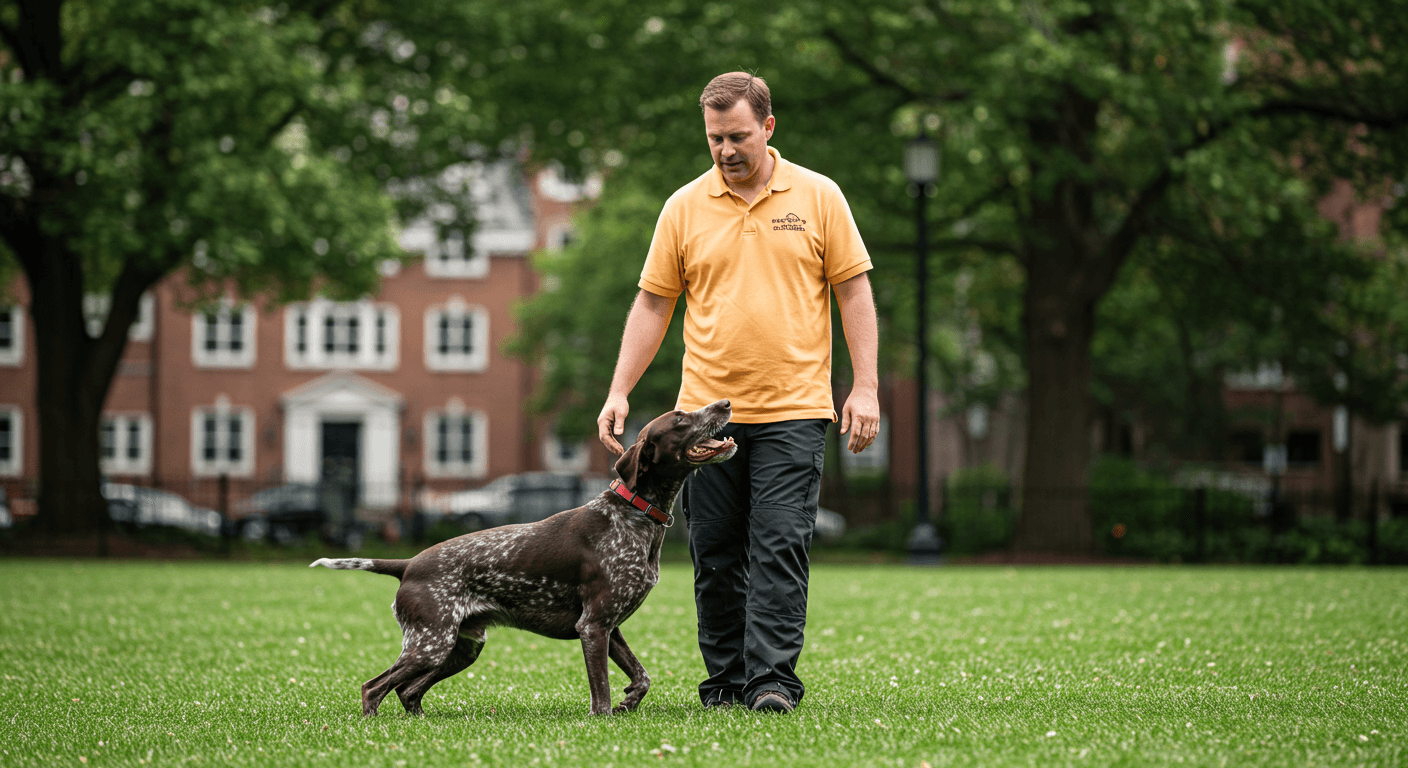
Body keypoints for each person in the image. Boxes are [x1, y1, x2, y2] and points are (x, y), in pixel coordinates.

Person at [596, 71, 879, 714]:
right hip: (706, 420)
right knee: (716, 552)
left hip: (796, 407)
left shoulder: (818, 196)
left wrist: (866, 387)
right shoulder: (684, 207)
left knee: (779, 543)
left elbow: (853, 290)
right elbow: (653, 303)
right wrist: (620, 389)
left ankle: (771, 681)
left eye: (738, 137)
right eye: (714, 139)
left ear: (768, 128)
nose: (726, 151)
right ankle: (724, 683)